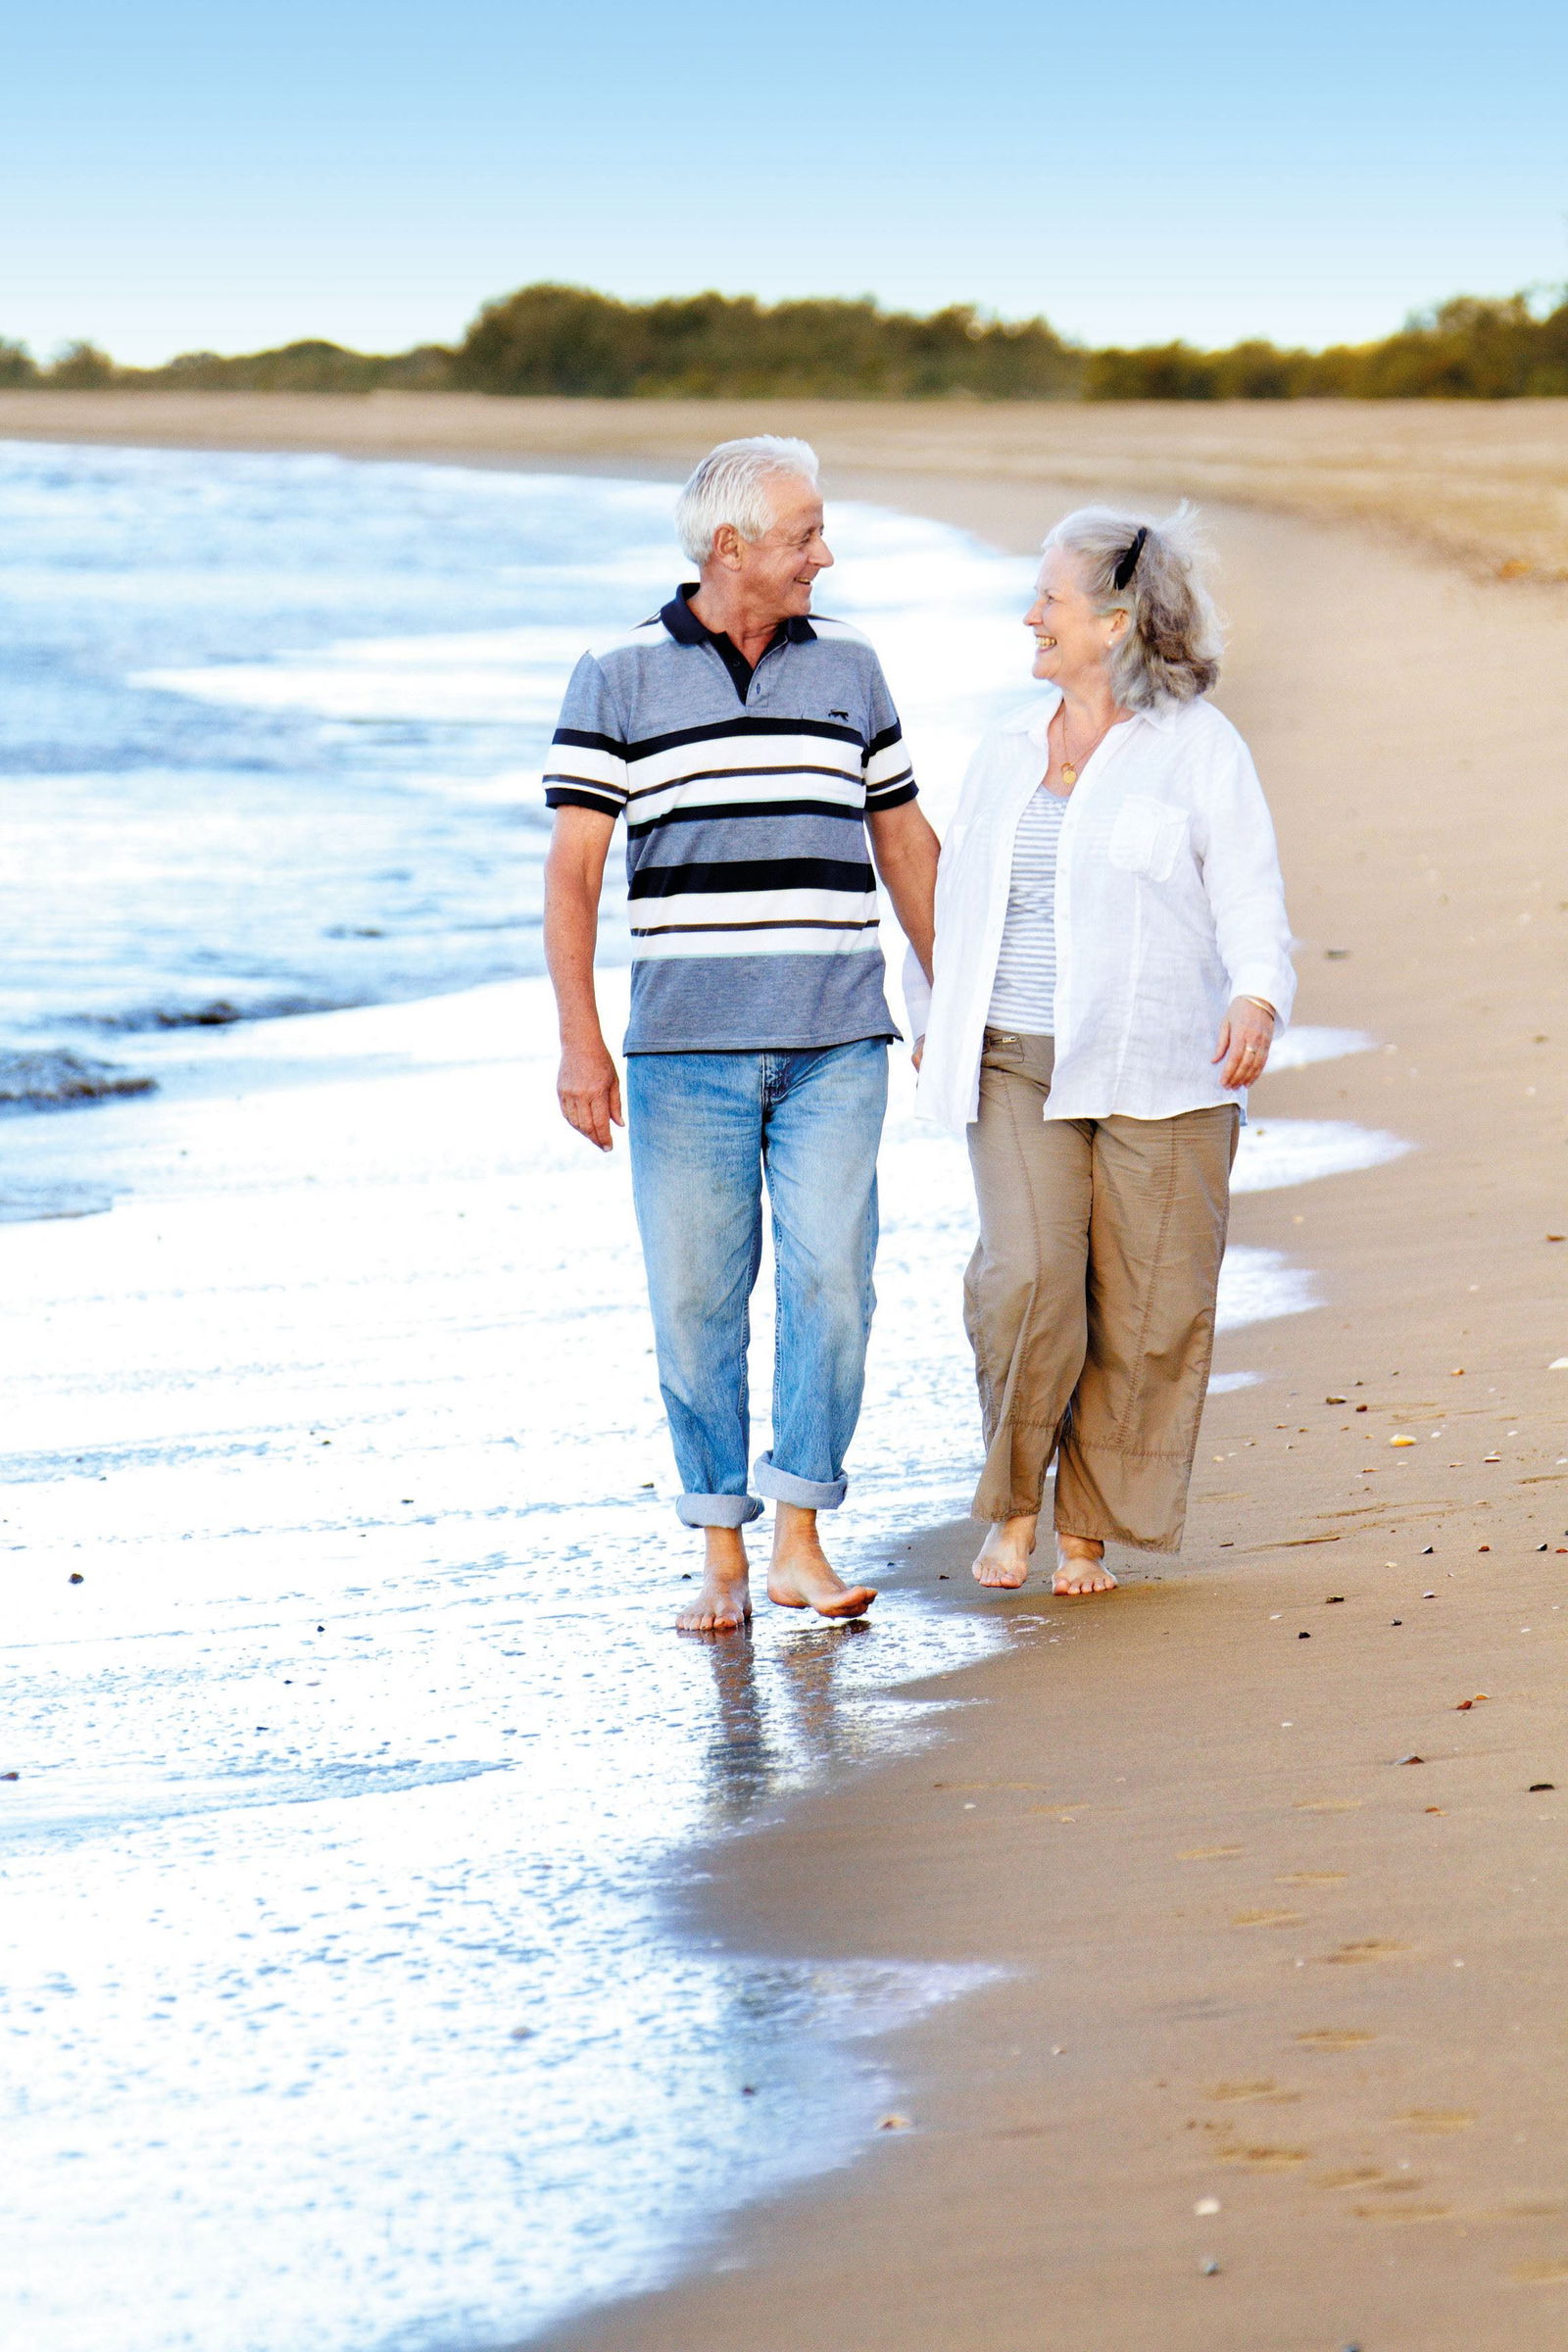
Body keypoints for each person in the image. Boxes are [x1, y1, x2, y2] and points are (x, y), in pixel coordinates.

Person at [543, 436, 940, 1634]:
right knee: (699, 1303)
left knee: (832, 1284)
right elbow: (573, 876)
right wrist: (580, 1044)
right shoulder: (614, 678)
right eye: (804, 535)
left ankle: (801, 1543)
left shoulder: (855, 671)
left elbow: (906, 845)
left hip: (836, 1042)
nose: (824, 554)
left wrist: (958, 1000)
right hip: (684, 1056)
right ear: (730, 548)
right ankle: (719, 1546)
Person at [906, 506, 1294, 1598]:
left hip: (1161, 1068)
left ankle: (1086, 1531)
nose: (1029, 616)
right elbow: (949, 900)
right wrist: (928, 1015)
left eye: (1049, 600)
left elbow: (1249, 888)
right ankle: (1016, 1502)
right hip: (1012, 1056)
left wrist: (1258, 995)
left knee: (1148, 1304)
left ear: (1116, 620)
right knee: (1024, 1279)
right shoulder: (1000, 747)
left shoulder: (1198, 748)